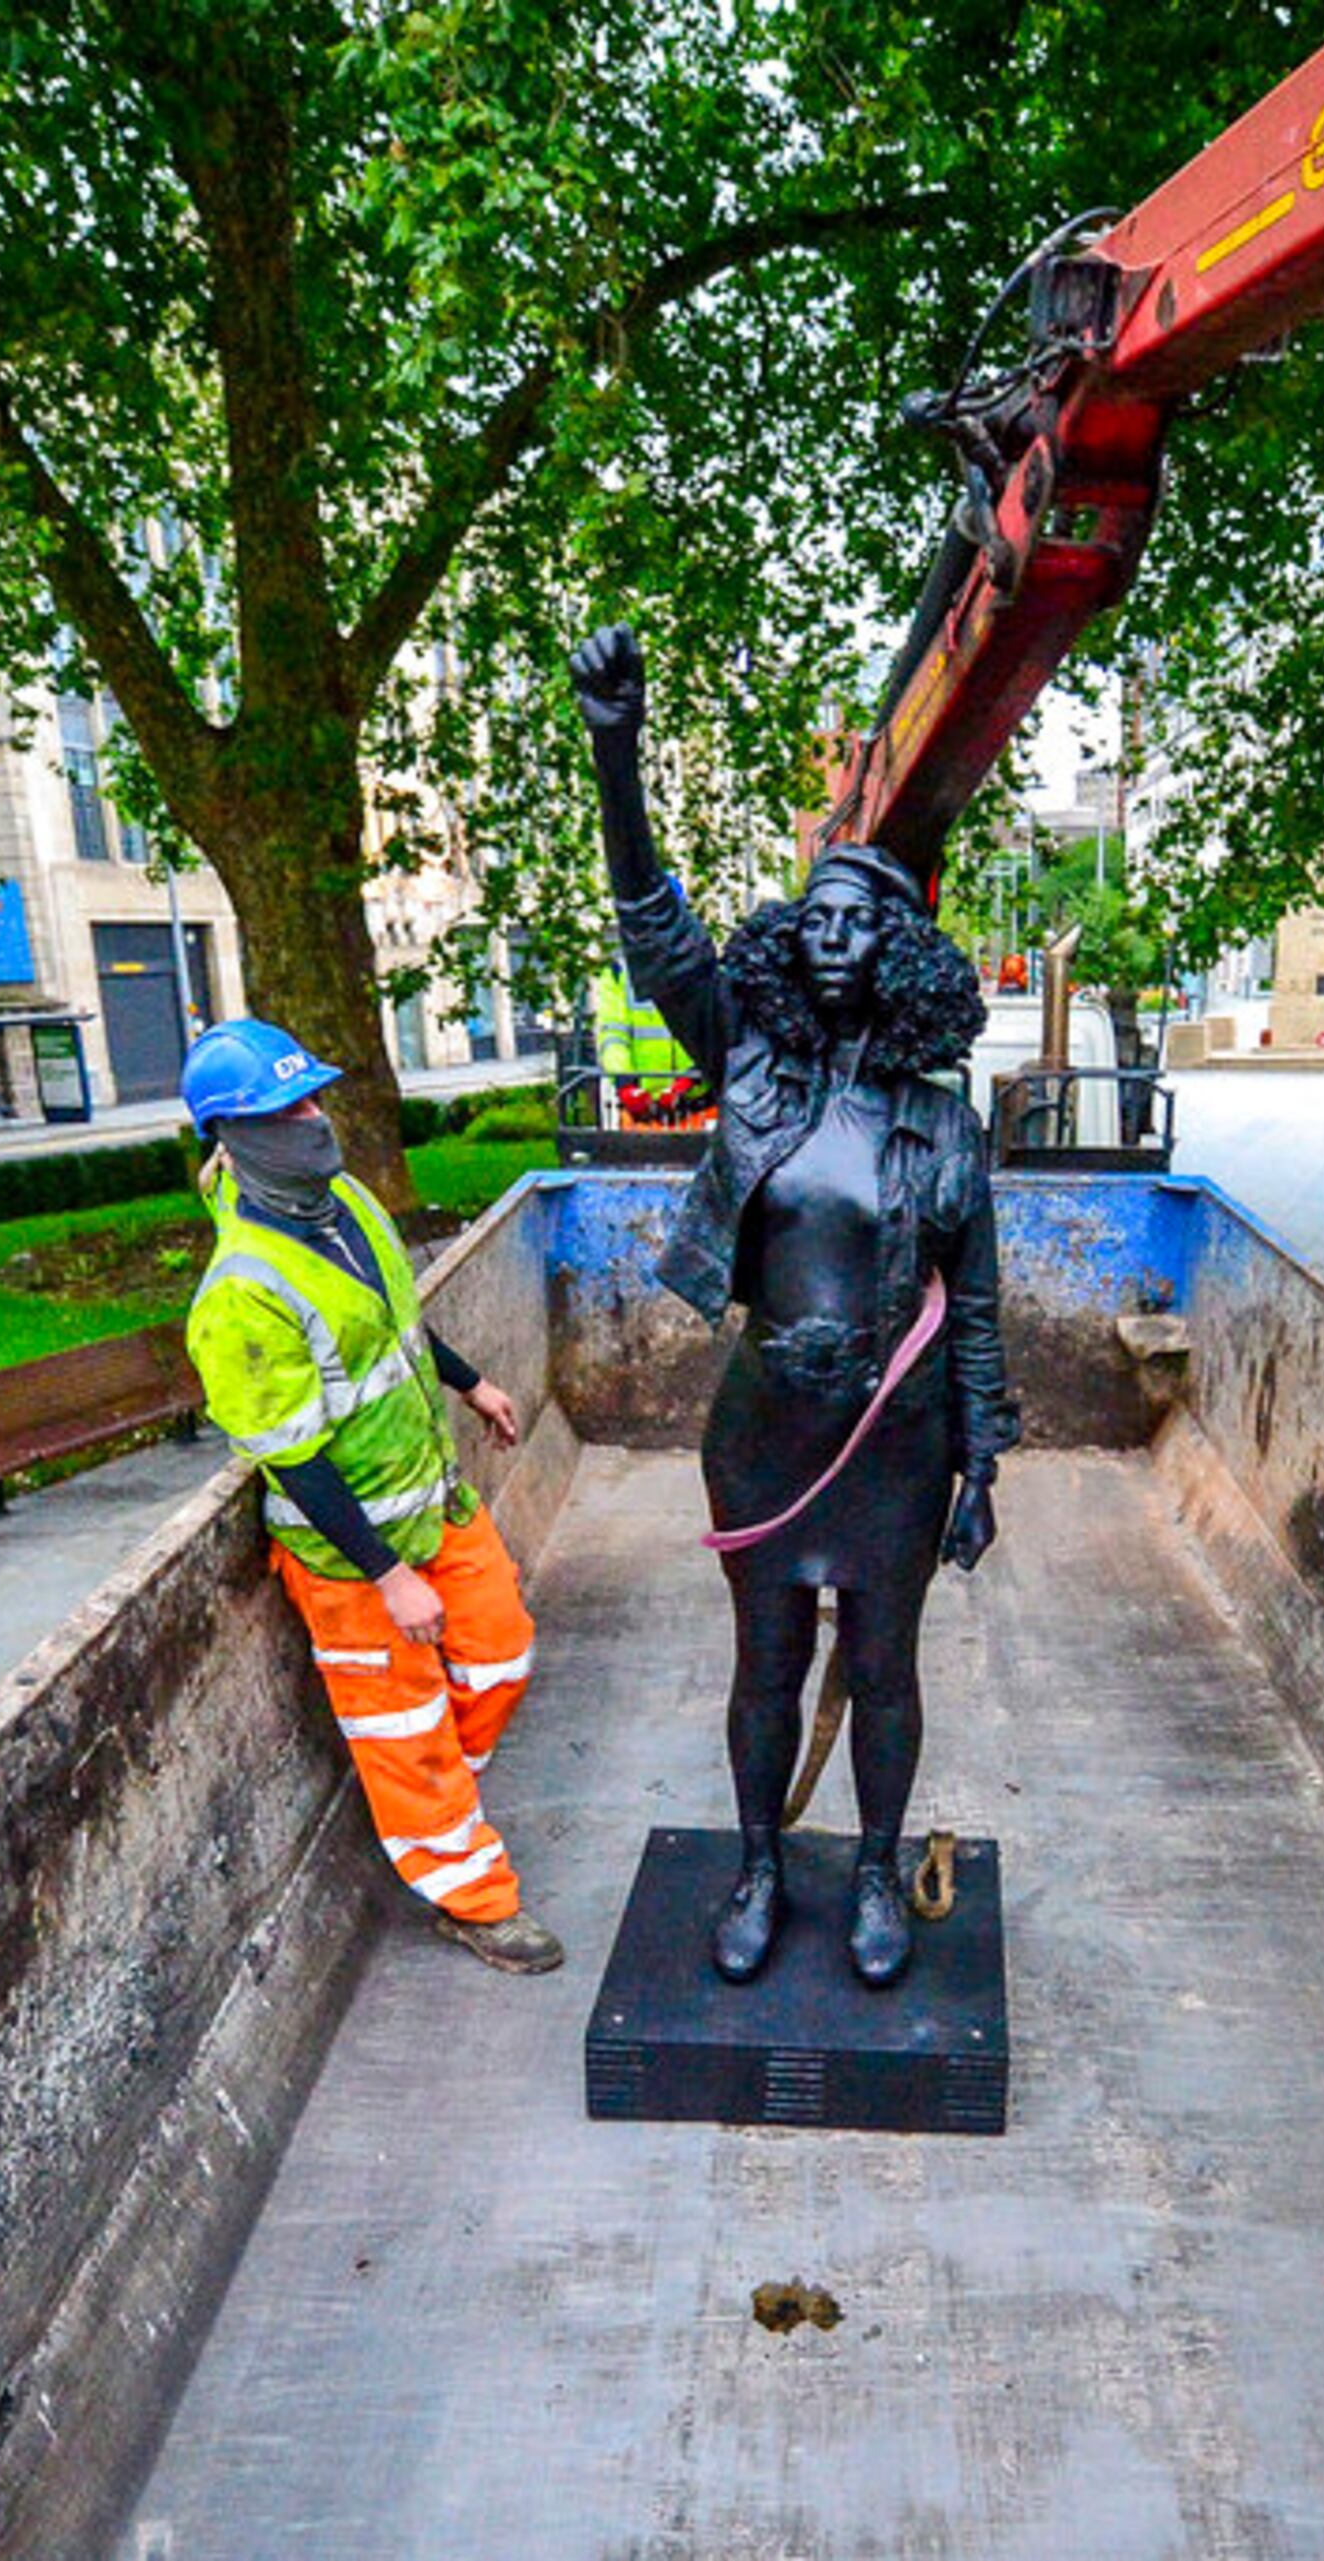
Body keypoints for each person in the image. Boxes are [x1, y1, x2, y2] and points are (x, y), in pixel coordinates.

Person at [569, 623, 1018, 1987]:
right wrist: (615, 750)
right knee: (766, 1659)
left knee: (884, 1665)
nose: (830, 943)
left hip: (895, 1440)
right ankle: (761, 1861)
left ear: (897, 955)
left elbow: (980, 1302)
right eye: (812, 920)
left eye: (857, 926)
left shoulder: (943, 1127)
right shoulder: (748, 1068)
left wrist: (983, 1460)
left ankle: (874, 1872)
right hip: (766, 1422)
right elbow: (656, 932)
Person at [179, 1018, 564, 1975]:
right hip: (352, 1556)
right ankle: (473, 1900)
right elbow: (294, 1460)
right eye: (286, 1108)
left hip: (432, 1500)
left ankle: (433, 1814)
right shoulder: (241, 1296)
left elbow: (395, 1322)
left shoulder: (342, 1201)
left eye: (312, 1096)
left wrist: (471, 1382)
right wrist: (389, 1576)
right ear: (232, 1134)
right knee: (403, 1732)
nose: (315, 1119)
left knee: (504, 1651)